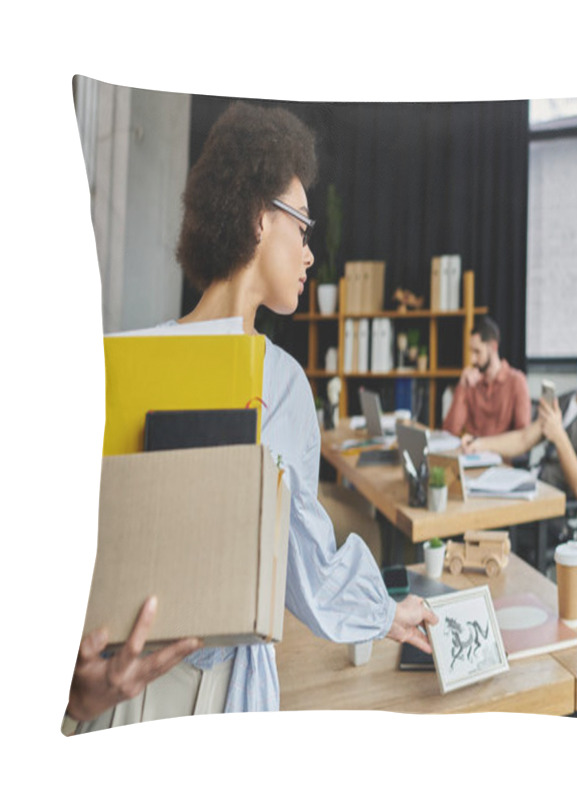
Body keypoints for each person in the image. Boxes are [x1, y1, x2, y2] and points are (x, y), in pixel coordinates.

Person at [65, 102, 438, 733]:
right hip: (126, 686)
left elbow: (303, 556)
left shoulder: (264, 381)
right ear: (261, 219)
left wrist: (385, 612)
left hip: (198, 691)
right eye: (303, 226)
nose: (311, 253)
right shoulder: (127, 367)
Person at [462, 328, 577, 503]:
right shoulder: (564, 401)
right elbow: (524, 439)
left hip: (554, 505)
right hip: (535, 486)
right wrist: (479, 444)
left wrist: (559, 435)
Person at [442, 316, 530, 438]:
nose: (472, 359)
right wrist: (462, 386)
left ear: (493, 347)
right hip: (472, 454)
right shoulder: (470, 382)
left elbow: (524, 438)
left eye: (477, 352)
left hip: (501, 455)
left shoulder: (516, 381)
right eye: (471, 352)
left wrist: (486, 446)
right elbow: (450, 432)